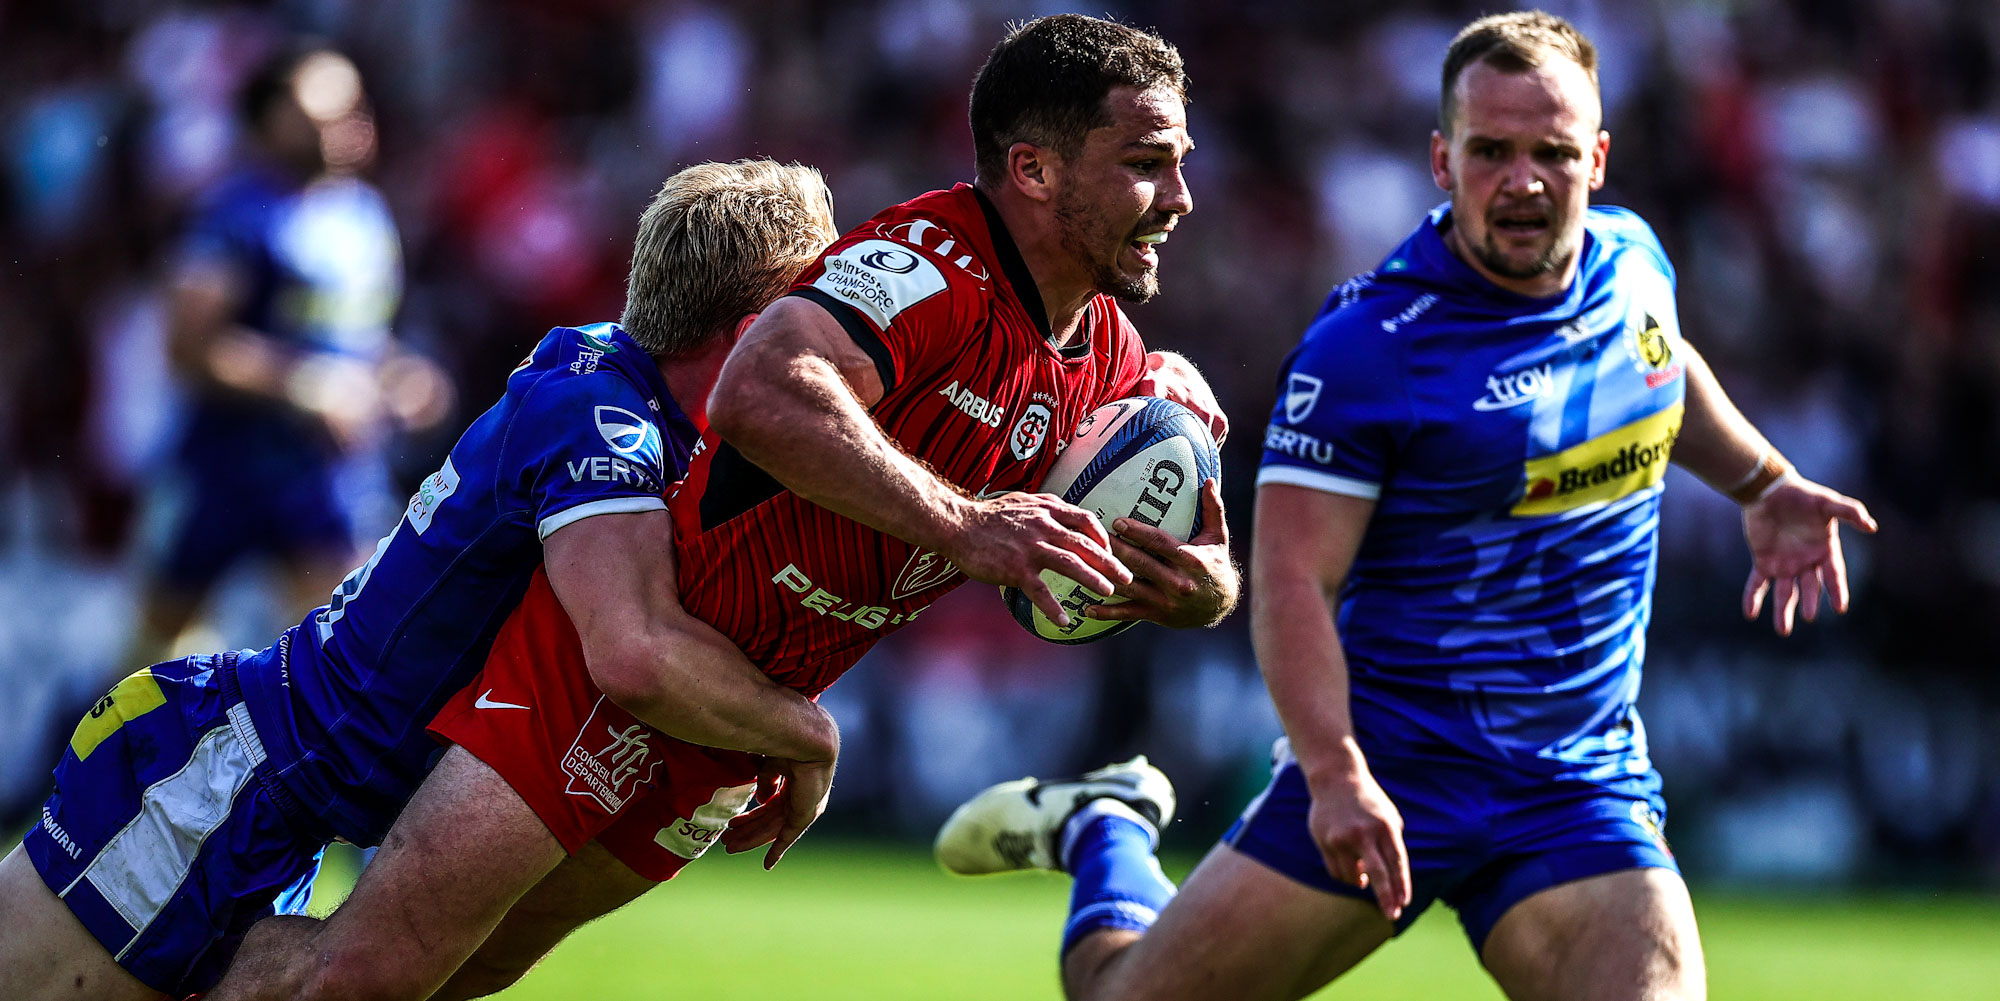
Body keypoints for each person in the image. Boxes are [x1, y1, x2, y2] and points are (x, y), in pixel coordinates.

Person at [198, 14, 1239, 1001]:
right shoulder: (927, 264)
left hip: (730, 727)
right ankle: (140, 956)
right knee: (368, 972)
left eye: (1178, 161)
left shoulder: (1106, 358)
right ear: (1035, 168)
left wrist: (1198, 586)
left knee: (458, 971)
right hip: (612, 673)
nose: (1180, 196)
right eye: (1146, 162)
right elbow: (760, 388)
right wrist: (965, 524)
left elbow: (1181, 535)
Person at [936, 11, 1878, 1001]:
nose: (1521, 180)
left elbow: (1656, 370)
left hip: (1573, 786)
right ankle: (1108, 827)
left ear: (1595, 159)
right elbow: (1294, 577)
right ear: (1441, 158)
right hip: (1389, 770)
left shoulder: (1633, 266)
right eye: (1491, 151)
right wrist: (1335, 775)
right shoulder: (1368, 348)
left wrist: (1762, 480)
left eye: (1551, 152)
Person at [0, 158, 844, 1001]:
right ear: (750, 330)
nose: (833, 344)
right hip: (220, 786)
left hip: (287, 810)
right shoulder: (607, 423)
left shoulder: (615, 385)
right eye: (815, 317)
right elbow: (636, 651)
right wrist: (806, 732)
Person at [130, 46, 440, 669]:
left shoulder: (366, 218)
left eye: (355, 105)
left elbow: (357, 342)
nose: (345, 121)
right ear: (267, 119)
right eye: (318, 109)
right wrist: (309, 387)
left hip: (325, 477)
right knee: (155, 656)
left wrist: (400, 376)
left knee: (337, 661)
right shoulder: (232, 216)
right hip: (222, 468)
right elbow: (189, 348)